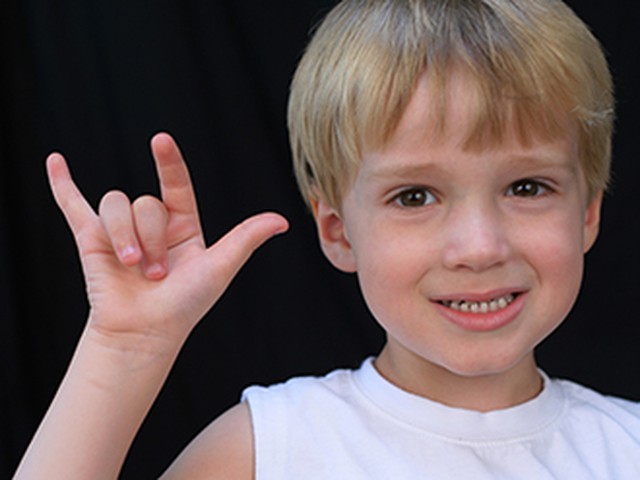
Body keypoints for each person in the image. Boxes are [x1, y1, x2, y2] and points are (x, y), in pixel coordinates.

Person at [15, 0, 640, 478]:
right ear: (338, 233)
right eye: (414, 196)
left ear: (587, 212)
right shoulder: (269, 447)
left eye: (527, 187)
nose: (479, 247)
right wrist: (124, 351)